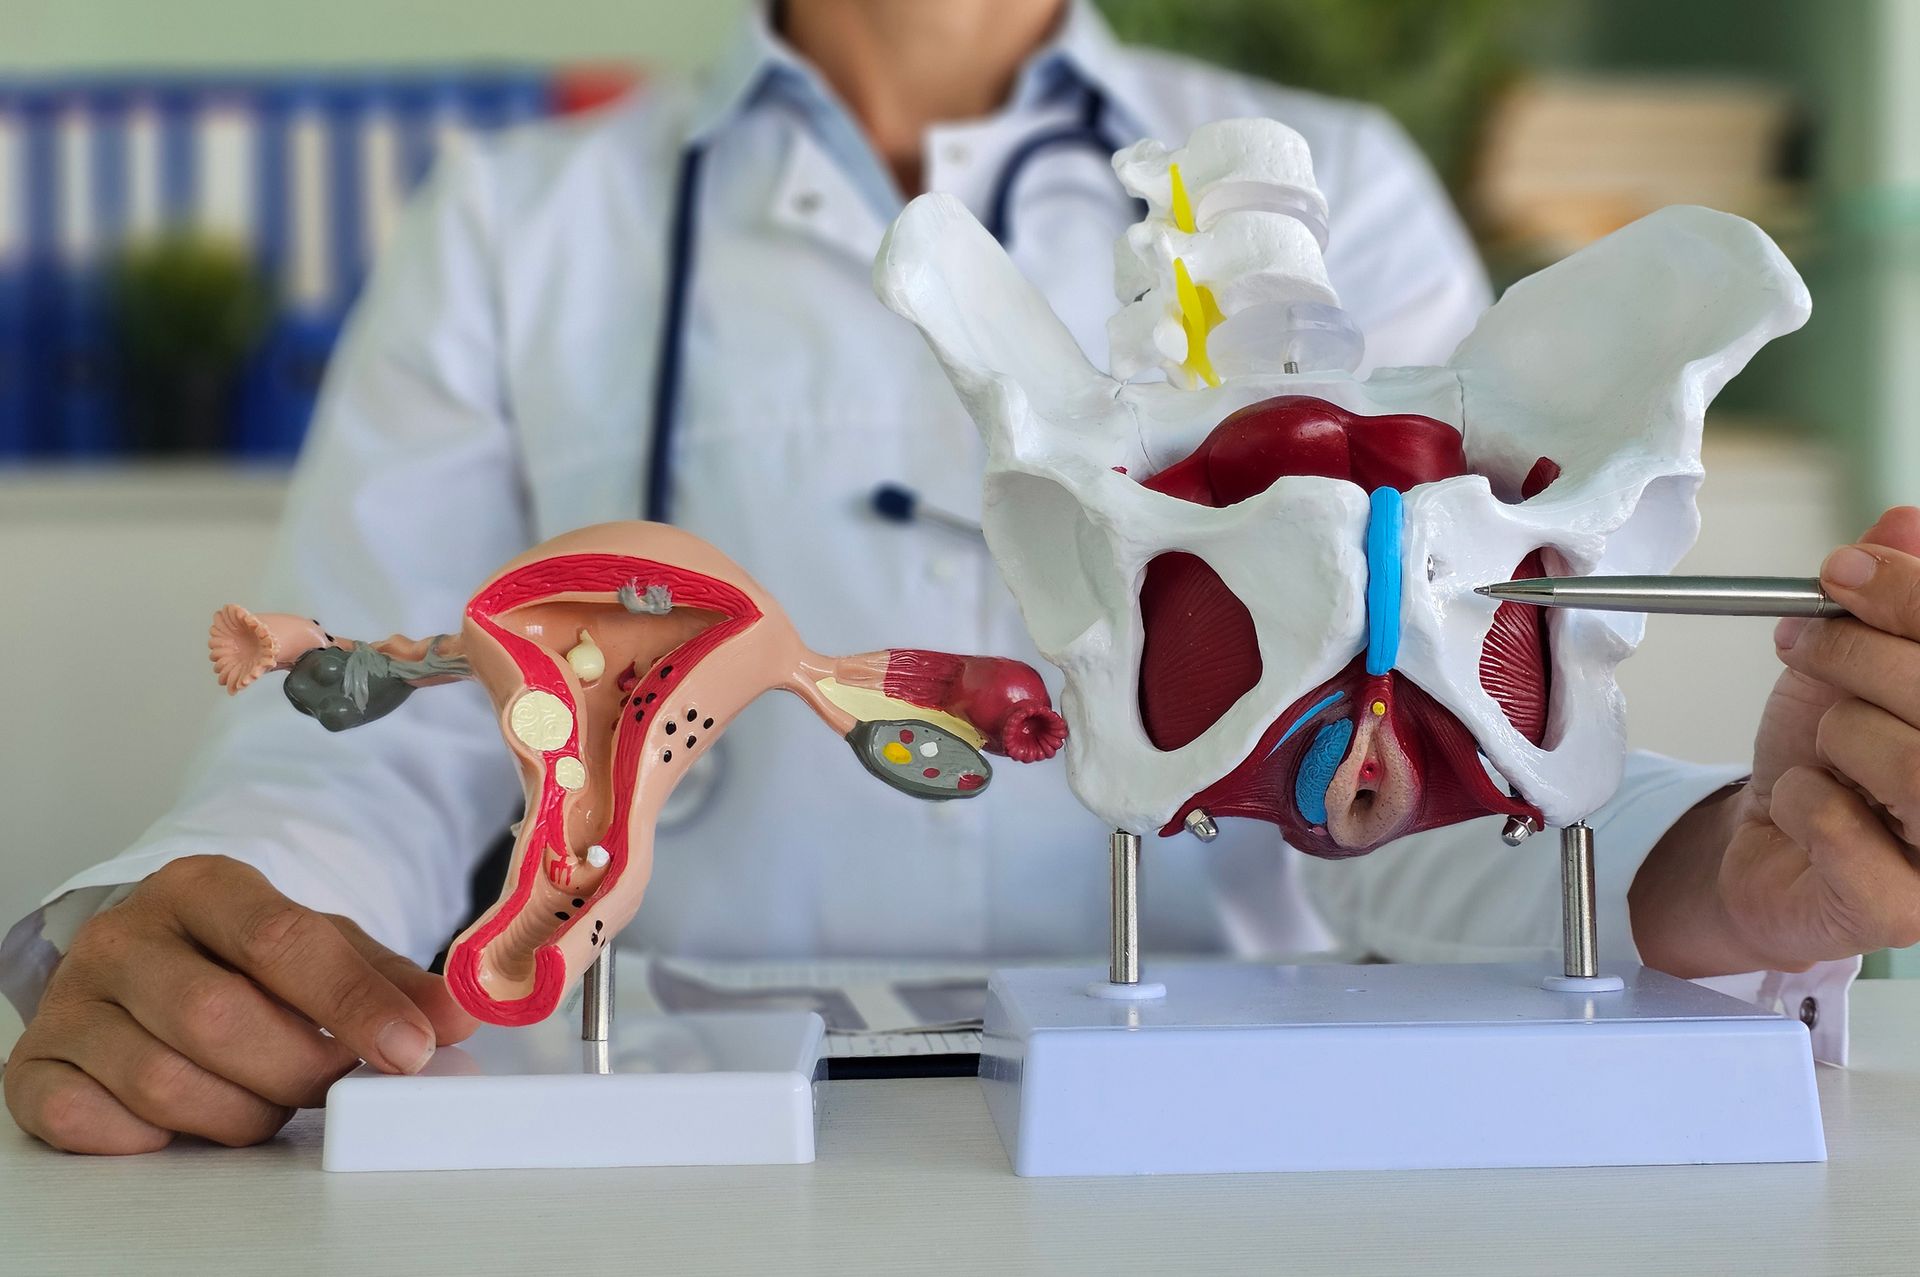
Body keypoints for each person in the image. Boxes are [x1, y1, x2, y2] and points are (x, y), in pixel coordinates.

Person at [5, 0, 1916, 1155]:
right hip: (688, 1170)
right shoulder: (525, 223)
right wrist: (222, 926)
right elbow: (393, 744)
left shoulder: (1339, 181)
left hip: (1236, 1160)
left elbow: (1430, 785)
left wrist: (1726, 872)